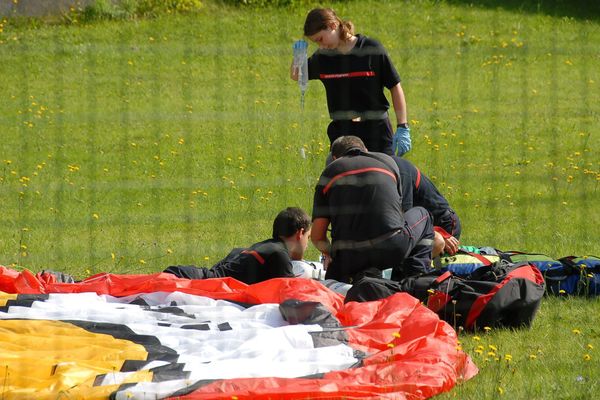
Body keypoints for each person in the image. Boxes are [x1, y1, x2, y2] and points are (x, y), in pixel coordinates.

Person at [311, 136, 434, 284]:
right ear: (366, 150)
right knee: (424, 215)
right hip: (390, 248)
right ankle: (415, 281)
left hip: (348, 258)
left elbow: (317, 236)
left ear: (335, 158)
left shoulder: (329, 173)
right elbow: (397, 214)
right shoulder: (387, 162)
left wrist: (333, 254)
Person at [290, 7, 411, 157]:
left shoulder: (370, 49)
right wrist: (298, 57)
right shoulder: (323, 58)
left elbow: (395, 86)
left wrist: (402, 126)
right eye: (316, 43)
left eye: (320, 39)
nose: (321, 46)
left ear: (333, 26)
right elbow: (297, 76)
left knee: (384, 177)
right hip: (342, 133)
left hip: (377, 130)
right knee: (342, 179)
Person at [164, 207, 312, 285]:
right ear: (300, 233)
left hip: (191, 275)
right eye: (308, 237)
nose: (307, 244)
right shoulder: (279, 254)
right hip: (195, 282)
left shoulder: (263, 247)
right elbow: (292, 292)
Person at [392, 157, 462, 257]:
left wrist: (438, 233)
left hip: (443, 226)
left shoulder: (401, 171)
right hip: (421, 226)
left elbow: (404, 222)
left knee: (427, 267)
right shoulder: (389, 168)